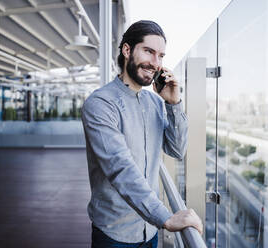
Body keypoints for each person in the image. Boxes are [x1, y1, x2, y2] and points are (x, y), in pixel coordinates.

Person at [81, 20, 203, 248]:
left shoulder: (155, 103)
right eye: (149, 51)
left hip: (149, 231)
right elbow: (120, 168)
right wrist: (165, 217)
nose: (155, 63)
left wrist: (174, 103)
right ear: (127, 50)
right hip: (114, 234)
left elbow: (177, 150)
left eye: (161, 56)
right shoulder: (100, 104)